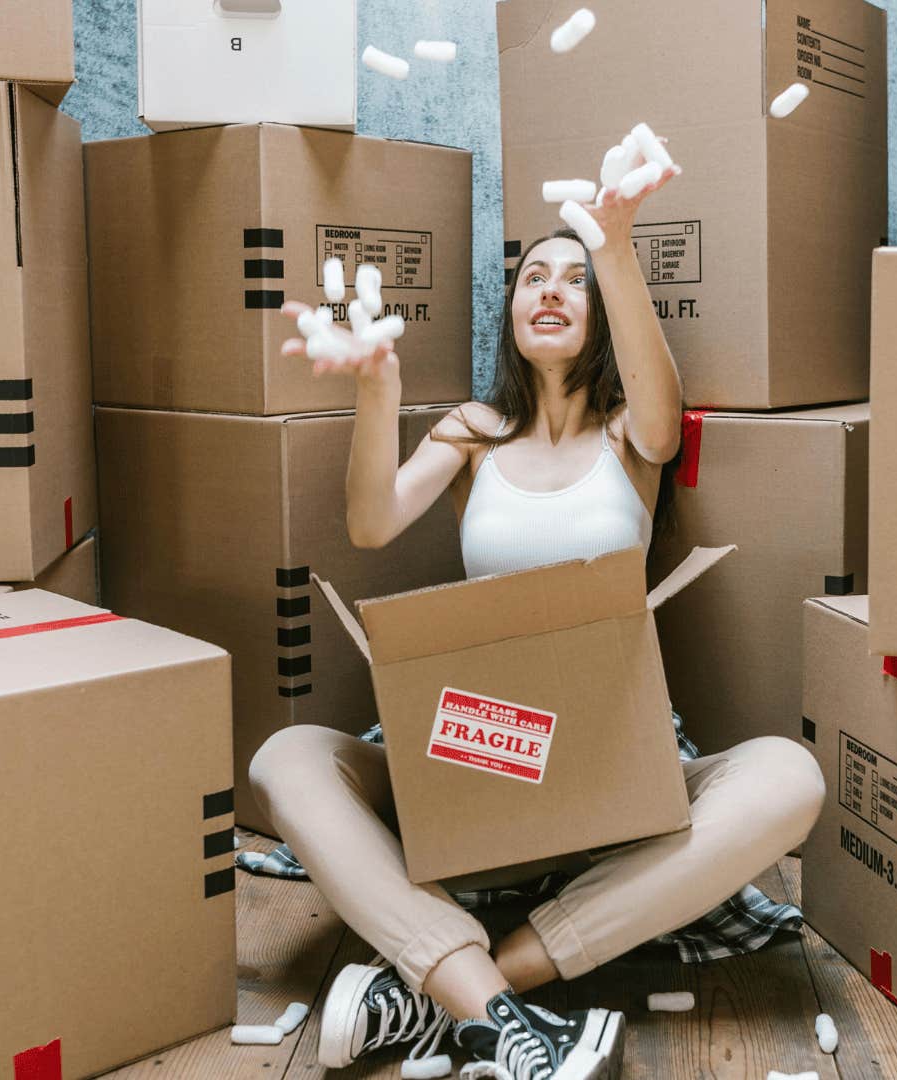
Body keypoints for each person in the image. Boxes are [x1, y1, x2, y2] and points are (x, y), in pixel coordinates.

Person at [247, 162, 825, 1080]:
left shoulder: (633, 436)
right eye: (532, 278)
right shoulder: (472, 433)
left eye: (574, 280)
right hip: (473, 754)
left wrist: (618, 244)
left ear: (600, 314)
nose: (551, 291)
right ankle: (489, 1003)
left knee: (789, 777)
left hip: (609, 764)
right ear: (510, 312)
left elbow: (666, 424)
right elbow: (370, 523)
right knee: (284, 761)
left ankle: (464, 989)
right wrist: (378, 385)